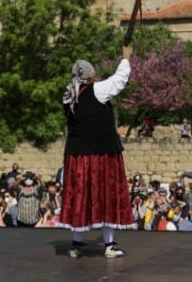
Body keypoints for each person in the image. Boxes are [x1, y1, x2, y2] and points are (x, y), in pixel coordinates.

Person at [58, 42, 135, 259]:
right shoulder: (97, 91)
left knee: (80, 197)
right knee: (106, 197)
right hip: (101, 153)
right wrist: (126, 58)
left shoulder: (68, 95)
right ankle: (109, 246)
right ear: (90, 75)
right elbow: (119, 80)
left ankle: (76, 244)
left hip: (76, 155)